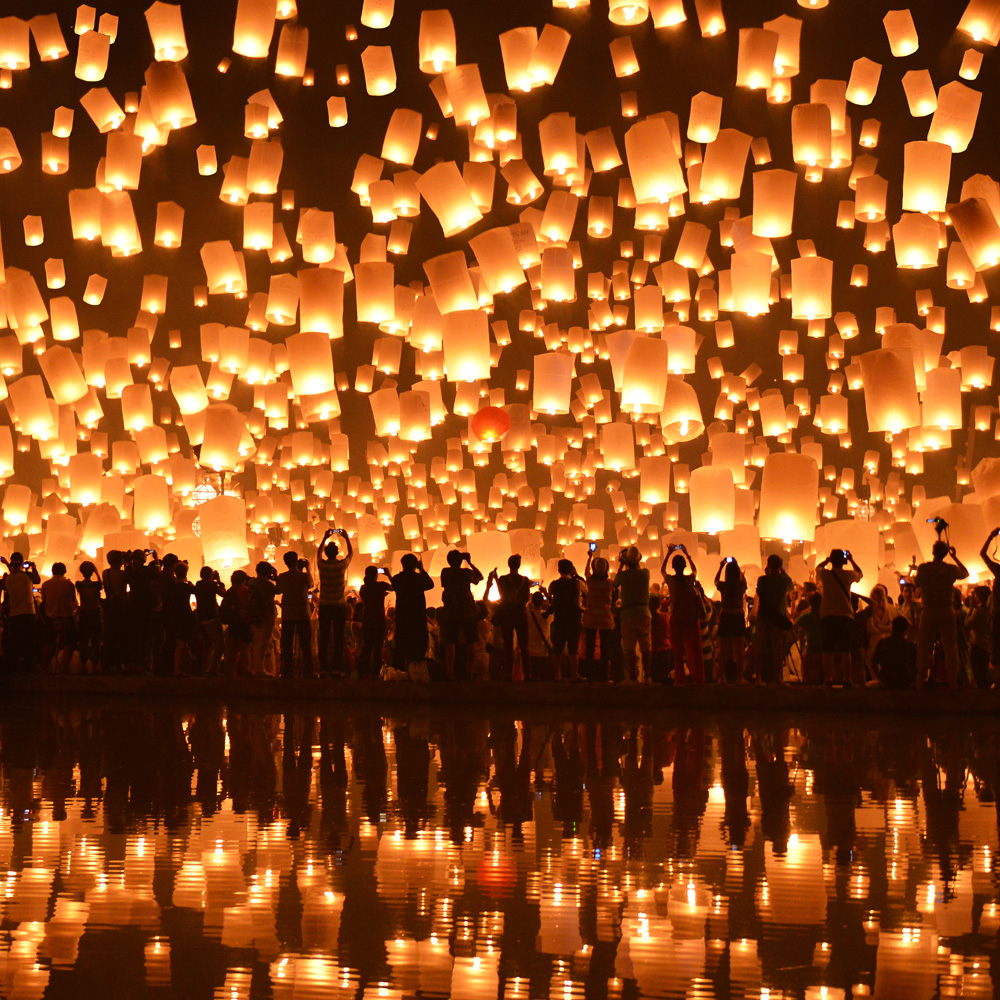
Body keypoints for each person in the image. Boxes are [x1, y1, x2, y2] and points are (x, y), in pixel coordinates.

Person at [914, 540, 968, 689]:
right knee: (950, 645)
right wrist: (955, 557)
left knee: (924, 645)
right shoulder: (950, 569)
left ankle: (921, 679)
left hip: (929, 609)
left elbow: (916, 581)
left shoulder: (924, 569)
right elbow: (965, 573)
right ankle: (952, 681)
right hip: (946, 608)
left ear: (933, 551)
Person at [817, 549, 864, 686]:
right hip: (845, 615)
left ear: (832, 560)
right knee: (845, 650)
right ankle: (846, 679)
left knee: (828, 650)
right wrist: (851, 560)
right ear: (843, 561)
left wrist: (827, 560)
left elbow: (818, 568)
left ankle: (828, 679)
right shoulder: (848, 575)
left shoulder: (825, 574)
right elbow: (860, 574)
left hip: (827, 615)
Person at [661, 544, 704, 684]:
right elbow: (695, 570)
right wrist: (687, 553)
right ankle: (697, 678)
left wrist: (668, 553)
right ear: (685, 565)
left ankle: (680, 679)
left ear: (673, 567)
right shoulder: (690, 579)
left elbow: (662, 570)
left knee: (677, 652)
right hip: (690, 618)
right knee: (694, 650)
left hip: (677, 618)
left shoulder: (671, 581)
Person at [440, 550, 483, 680]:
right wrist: (469, 562)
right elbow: (480, 577)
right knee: (471, 641)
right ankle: (469, 672)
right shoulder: (466, 573)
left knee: (451, 641)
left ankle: (449, 672)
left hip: (452, 610)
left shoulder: (445, 572)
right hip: (467, 610)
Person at [752, 554, 794, 684]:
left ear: (768, 566)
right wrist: (783, 572)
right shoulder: (784, 581)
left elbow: (759, 594)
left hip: (764, 617)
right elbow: (791, 586)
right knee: (777, 649)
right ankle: (777, 678)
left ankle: (758, 676)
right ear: (780, 566)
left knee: (760, 648)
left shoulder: (762, 580)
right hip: (778, 617)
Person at [317, 527, 352, 677]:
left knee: (323, 638)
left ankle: (323, 668)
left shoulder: (322, 566)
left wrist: (325, 537)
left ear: (326, 553)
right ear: (337, 553)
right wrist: (346, 538)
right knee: (338, 637)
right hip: (339, 606)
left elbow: (318, 553)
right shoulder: (341, 566)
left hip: (325, 605)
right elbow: (351, 554)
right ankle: (337, 668)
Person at [391, 554, 434, 673]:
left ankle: (398, 671)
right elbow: (430, 584)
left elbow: (394, 584)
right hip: (418, 617)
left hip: (403, 617)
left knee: (401, 646)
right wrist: (422, 569)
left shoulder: (397, 579)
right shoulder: (419, 578)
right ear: (415, 565)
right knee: (419, 646)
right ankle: (417, 671)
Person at [492, 555, 532, 682]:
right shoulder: (525, 581)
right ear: (519, 565)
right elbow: (526, 598)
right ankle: (527, 673)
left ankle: (508, 673)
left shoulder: (503, 579)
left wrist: (496, 579)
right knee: (524, 645)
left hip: (507, 614)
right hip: (520, 613)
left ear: (509, 565)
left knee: (508, 645)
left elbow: (501, 594)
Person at [615, 546, 651, 682]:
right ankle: (647, 675)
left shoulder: (623, 575)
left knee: (629, 648)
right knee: (646, 647)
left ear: (626, 562)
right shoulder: (645, 573)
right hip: (643, 612)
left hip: (628, 613)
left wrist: (621, 565)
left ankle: (632, 676)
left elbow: (615, 583)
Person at [276, 551, 314, 678]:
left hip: (288, 613)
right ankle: (308, 671)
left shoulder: (282, 577)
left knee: (287, 644)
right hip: (302, 613)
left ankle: (287, 671)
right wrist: (307, 569)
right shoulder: (303, 577)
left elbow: (279, 589)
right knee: (305, 643)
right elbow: (311, 585)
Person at [548, 559, 584, 682]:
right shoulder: (576, 584)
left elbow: (550, 600)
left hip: (559, 619)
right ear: (572, 569)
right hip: (573, 619)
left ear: (558, 570)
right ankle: (574, 674)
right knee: (573, 648)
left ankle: (557, 674)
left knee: (557, 648)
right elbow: (582, 596)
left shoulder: (554, 585)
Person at [714, 558, 748, 684]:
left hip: (726, 615)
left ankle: (722, 677)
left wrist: (721, 566)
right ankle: (740, 677)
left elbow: (716, 581)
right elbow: (744, 580)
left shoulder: (723, 586)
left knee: (723, 649)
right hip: (738, 615)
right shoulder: (740, 586)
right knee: (738, 649)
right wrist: (738, 566)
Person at [582, 552, 614, 683]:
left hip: (590, 619)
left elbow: (586, 572)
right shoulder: (609, 583)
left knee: (590, 649)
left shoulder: (590, 581)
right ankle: (604, 677)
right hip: (605, 620)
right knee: (604, 650)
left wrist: (589, 557)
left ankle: (590, 676)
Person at [40, 562, 77, 672]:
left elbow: (44, 601)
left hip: (51, 619)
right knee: (70, 641)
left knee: (47, 642)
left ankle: (44, 667)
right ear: (64, 571)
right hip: (66, 618)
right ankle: (65, 666)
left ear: (52, 571)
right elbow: (73, 602)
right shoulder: (69, 584)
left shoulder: (46, 585)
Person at [161, 561, 196, 676]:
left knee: (176, 644)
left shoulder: (172, 586)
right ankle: (178, 670)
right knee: (182, 644)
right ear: (186, 572)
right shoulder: (186, 587)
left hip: (173, 616)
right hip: (184, 615)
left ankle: (174, 668)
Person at [358, 566, 392, 678]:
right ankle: (376, 672)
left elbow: (367, 597)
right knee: (378, 648)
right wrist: (388, 574)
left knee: (366, 647)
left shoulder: (363, 588)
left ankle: (364, 671)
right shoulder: (381, 585)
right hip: (379, 620)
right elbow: (395, 587)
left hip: (367, 619)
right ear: (376, 574)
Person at [247, 561, 278, 676]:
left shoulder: (251, 582)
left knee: (256, 642)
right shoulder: (268, 585)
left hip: (254, 615)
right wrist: (276, 577)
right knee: (263, 643)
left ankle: (255, 667)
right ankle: (259, 669)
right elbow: (280, 589)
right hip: (266, 615)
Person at [220, 569, 252, 677]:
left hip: (232, 623)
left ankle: (230, 673)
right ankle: (245, 671)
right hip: (243, 623)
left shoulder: (230, 591)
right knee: (245, 650)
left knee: (231, 651)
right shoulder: (245, 590)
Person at [195, 567, 226, 675]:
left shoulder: (198, 585)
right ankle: (212, 669)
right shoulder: (212, 586)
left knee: (208, 644)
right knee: (219, 643)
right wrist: (219, 582)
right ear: (210, 575)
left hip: (201, 618)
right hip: (212, 617)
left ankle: (205, 668)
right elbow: (224, 594)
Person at [871, 615, 917, 689]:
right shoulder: (910, 645)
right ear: (906, 630)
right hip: (904, 681)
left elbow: (874, 664)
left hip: (887, 680)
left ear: (892, 627)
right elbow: (916, 666)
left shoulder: (883, 643)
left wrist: (881, 678)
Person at [101, 550, 128, 674]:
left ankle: (108, 663)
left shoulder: (105, 573)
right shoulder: (124, 574)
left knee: (109, 636)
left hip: (110, 606)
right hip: (121, 606)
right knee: (121, 636)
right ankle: (119, 662)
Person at [75, 561, 103, 673]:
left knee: (83, 642)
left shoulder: (78, 585)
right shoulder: (96, 585)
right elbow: (101, 585)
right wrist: (96, 571)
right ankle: (95, 666)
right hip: (95, 614)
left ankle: (83, 666)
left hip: (84, 615)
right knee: (96, 642)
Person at [864, 584, 896, 678]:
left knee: (886, 662)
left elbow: (892, 626)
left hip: (886, 641)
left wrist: (880, 627)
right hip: (874, 642)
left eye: (879, 599)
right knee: (870, 661)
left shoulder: (889, 610)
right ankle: (876, 679)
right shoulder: (869, 610)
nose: (877, 601)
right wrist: (886, 628)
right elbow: (870, 628)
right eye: (875, 599)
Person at [980, 527, 1000, 672]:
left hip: (998, 613)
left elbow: (983, 554)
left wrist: (991, 537)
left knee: (996, 645)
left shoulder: (998, 570)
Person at [965, 585, 992, 688]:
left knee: (978, 674)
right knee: (983, 672)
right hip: (987, 646)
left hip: (978, 645)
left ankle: (981, 697)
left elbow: (967, 624)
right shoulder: (989, 611)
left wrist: (971, 607)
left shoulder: (978, 612)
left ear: (979, 597)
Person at [648, 594, 672, 683]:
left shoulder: (648, 619)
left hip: (652, 650)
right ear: (659, 605)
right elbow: (670, 630)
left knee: (655, 679)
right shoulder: (665, 617)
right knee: (665, 678)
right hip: (665, 649)